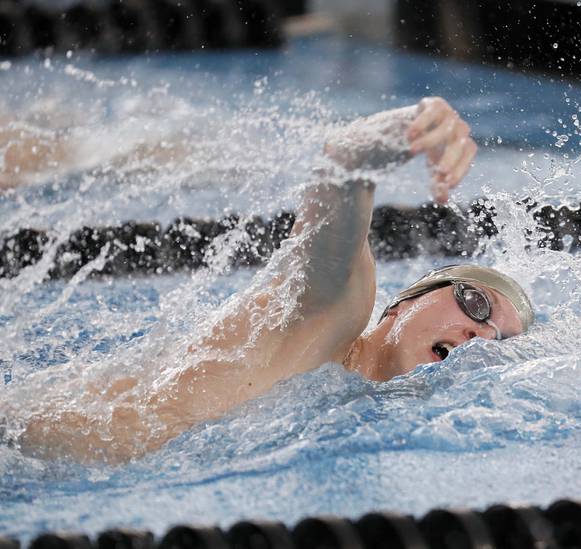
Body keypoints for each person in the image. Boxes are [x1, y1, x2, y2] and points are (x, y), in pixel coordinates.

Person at [12, 97, 534, 463]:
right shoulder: (333, 312)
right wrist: (413, 125)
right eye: (477, 305)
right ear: (404, 302)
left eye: (499, 340)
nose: (482, 335)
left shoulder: (353, 407)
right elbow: (342, 162)